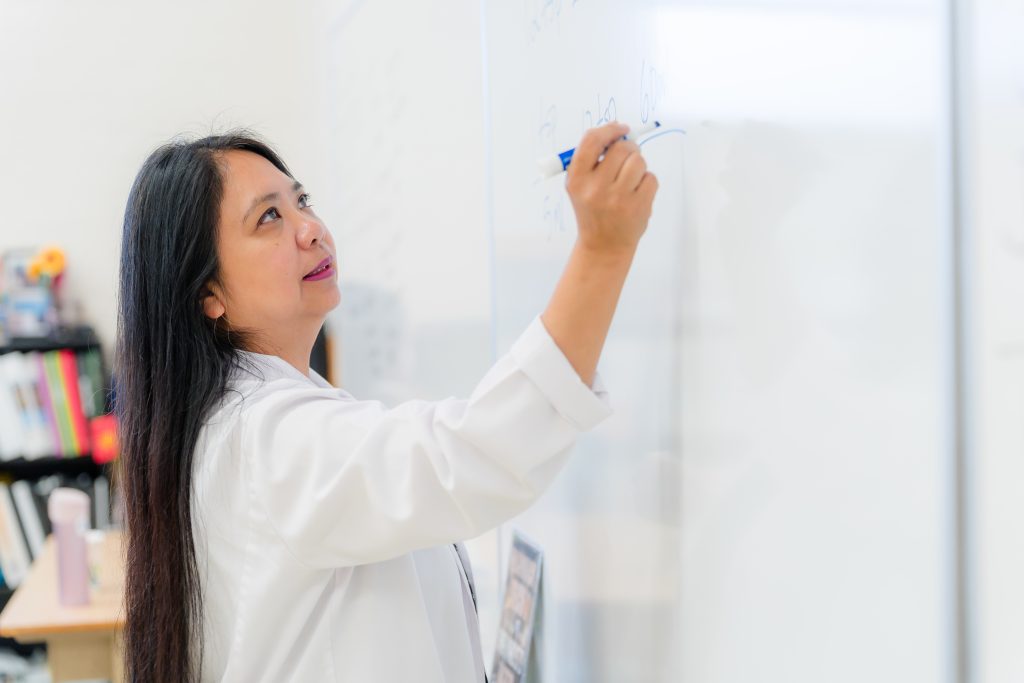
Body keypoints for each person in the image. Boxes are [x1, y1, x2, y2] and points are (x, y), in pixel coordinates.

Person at [115, 121, 658, 682]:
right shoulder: (268, 438)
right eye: (269, 217)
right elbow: (472, 456)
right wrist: (603, 251)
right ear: (210, 295)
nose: (310, 230)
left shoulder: (267, 416)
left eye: (301, 201)